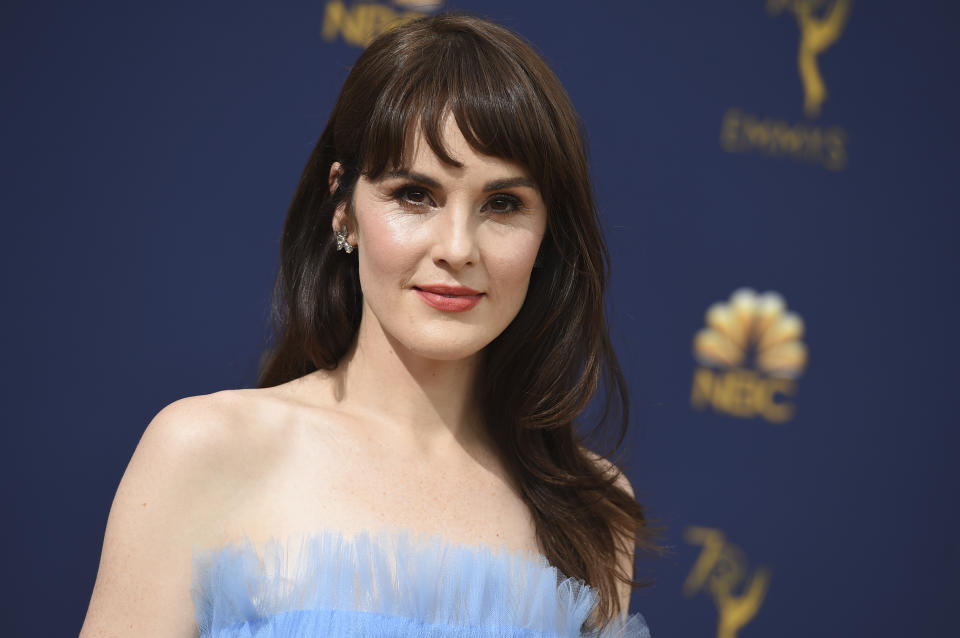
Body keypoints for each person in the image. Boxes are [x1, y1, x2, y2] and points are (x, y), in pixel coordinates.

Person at [79, 12, 659, 638]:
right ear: (343, 208)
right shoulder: (206, 450)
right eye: (415, 194)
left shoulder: (594, 512)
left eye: (502, 204)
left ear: (546, 236)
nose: (458, 247)